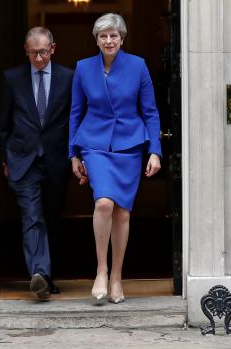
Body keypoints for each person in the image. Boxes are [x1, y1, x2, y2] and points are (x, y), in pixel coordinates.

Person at [69, 13, 162, 305]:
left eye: (114, 36)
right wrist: (73, 153)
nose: (108, 41)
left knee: (122, 212)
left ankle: (117, 277)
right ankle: (101, 269)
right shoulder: (83, 68)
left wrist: (155, 150)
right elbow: (75, 112)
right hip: (94, 144)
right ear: (96, 40)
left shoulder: (138, 66)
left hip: (129, 145)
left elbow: (150, 112)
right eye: (103, 36)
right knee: (104, 203)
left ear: (122, 38)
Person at [0, 27, 74, 300]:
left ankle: (47, 277)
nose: (38, 58)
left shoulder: (68, 78)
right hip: (23, 159)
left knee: (52, 219)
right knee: (32, 217)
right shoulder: (12, 78)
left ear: (53, 48)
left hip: (55, 160)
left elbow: (74, 119)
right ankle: (38, 273)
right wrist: (5, 158)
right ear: (25, 51)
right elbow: (3, 123)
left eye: (43, 52)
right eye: (33, 53)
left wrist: (76, 156)